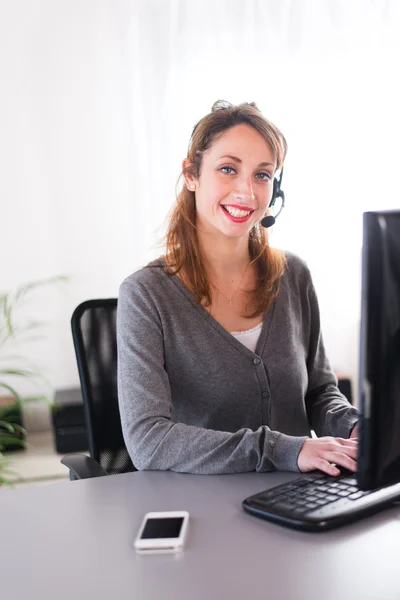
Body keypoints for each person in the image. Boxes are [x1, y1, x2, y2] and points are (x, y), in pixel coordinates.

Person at [117, 100, 359, 476]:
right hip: (201, 505)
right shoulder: (146, 295)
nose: (247, 192)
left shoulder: (293, 275)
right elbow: (149, 441)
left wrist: (355, 426)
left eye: (262, 175)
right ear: (192, 175)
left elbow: (318, 392)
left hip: (297, 497)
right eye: (228, 169)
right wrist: (283, 449)